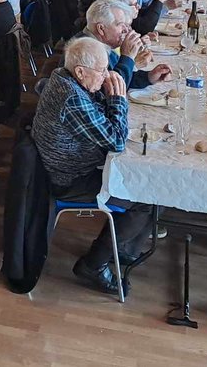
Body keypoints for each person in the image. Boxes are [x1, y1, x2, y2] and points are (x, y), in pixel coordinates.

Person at [32, 37, 155, 295]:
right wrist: (118, 99)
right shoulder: (70, 96)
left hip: (78, 164)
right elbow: (116, 140)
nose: (106, 75)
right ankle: (94, 264)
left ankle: (122, 247)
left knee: (147, 181)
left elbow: (99, 111)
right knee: (145, 194)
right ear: (80, 71)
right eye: (102, 71)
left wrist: (110, 93)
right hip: (70, 178)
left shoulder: (64, 76)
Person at [83, 0, 171, 90]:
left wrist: (149, 77)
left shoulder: (103, 44)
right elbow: (112, 89)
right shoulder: (87, 51)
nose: (126, 30)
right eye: (121, 25)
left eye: (127, 25)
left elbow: (120, 76)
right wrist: (127, 56)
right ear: (101, 29)